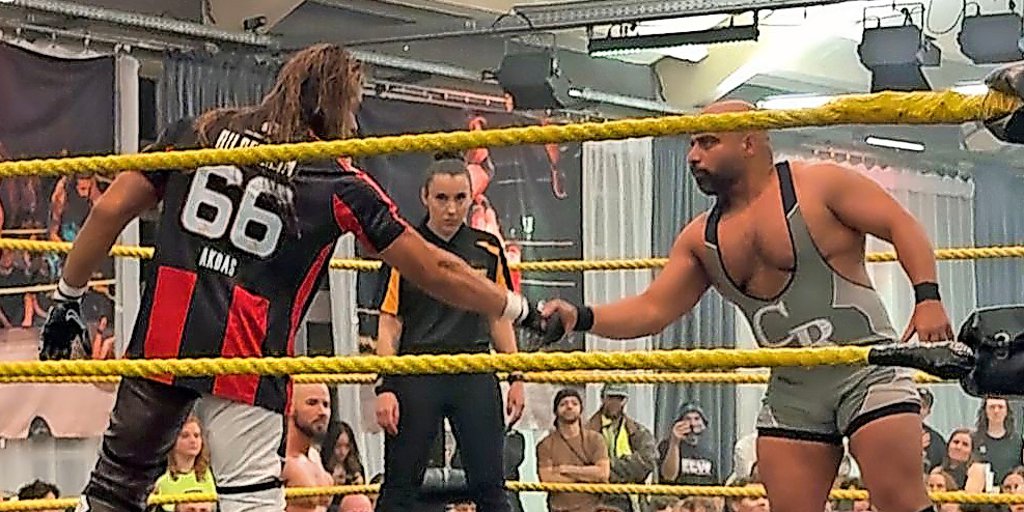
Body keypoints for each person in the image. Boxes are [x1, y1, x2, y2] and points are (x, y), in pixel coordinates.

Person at [38, 43, 544, 512]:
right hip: (247, 354)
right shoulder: (335, 178)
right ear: (338, 106)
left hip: (165, 340)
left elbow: (109, 209)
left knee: (111, 493)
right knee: (251, 503)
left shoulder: (201, 131)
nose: (353, 122)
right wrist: (520, 308)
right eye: (352, 108)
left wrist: (66, 299)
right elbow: (434, 267)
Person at [541, 99, 956, 512]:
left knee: (901, 502)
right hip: (793, 391)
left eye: (708, 143)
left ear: (749, 142)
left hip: (865, 370)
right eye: (692, 145)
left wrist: (928, 297)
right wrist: (581, 317)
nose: (693, 156)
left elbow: (900, 223)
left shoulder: (817, 185)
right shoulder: (701, 238)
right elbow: (653, 309)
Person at [374, 153, 526, 512]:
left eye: (460, 198)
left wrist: (517, 376)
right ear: (425, 197)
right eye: (442, 198)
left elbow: (499, 316)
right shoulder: (406, 247)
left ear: (472, 198)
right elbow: (390, 321)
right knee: (399, 486)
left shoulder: (487, 249)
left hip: (473, 368)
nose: (451, 209)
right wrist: (384, 387)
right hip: (417, 370)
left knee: (491, 487)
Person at [536, 388, 610, 512]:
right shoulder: (545, 445)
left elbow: (603, 473)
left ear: (581, 409)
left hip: (595, 508)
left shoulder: (595, 439)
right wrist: (589, 477)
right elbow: (547, 478)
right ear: (555, 411)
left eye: (574, 403)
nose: (569, 407)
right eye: (563, 404)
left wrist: (565, 469)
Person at [282, 383, 334, 512]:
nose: (322, 412)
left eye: (326, 405)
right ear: (291, 407)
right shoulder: (281, 459)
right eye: (312, 403)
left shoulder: (315, 456)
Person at [153, 415, 215, 512]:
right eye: (185, 436)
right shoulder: (159, 476)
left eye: (196, 435)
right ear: (172, 441)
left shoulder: (208, 475)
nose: (193, 441)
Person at [973, 397, 1024, 483]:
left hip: (1010, 489)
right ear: (985, 411)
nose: (996, 411)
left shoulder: (1018, 441)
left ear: (1007, 411)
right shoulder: (974, 439)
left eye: (1000, 407)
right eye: (992, 407)